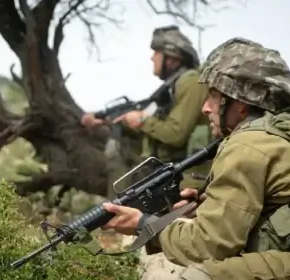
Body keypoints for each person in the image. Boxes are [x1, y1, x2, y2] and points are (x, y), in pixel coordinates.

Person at [101, 37, 290, 279]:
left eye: (213, 96)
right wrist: (208, 203)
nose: (205, 108)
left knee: (198, 276)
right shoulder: (284, 129)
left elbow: (210, 245)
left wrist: (143, 224)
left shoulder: (248, 144)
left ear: (240, 103)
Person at [81, 25, 211, 197]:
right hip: (170, 167)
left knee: (117, 145)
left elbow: (175, 134)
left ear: (171, 58)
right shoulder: (173, 86)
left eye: (156, 52)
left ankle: (116, 209)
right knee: (120, 139)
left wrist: (143, 121)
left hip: (188, 174)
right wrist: (109, 120)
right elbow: (154, 125)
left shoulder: (191, 82)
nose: (152, 58)